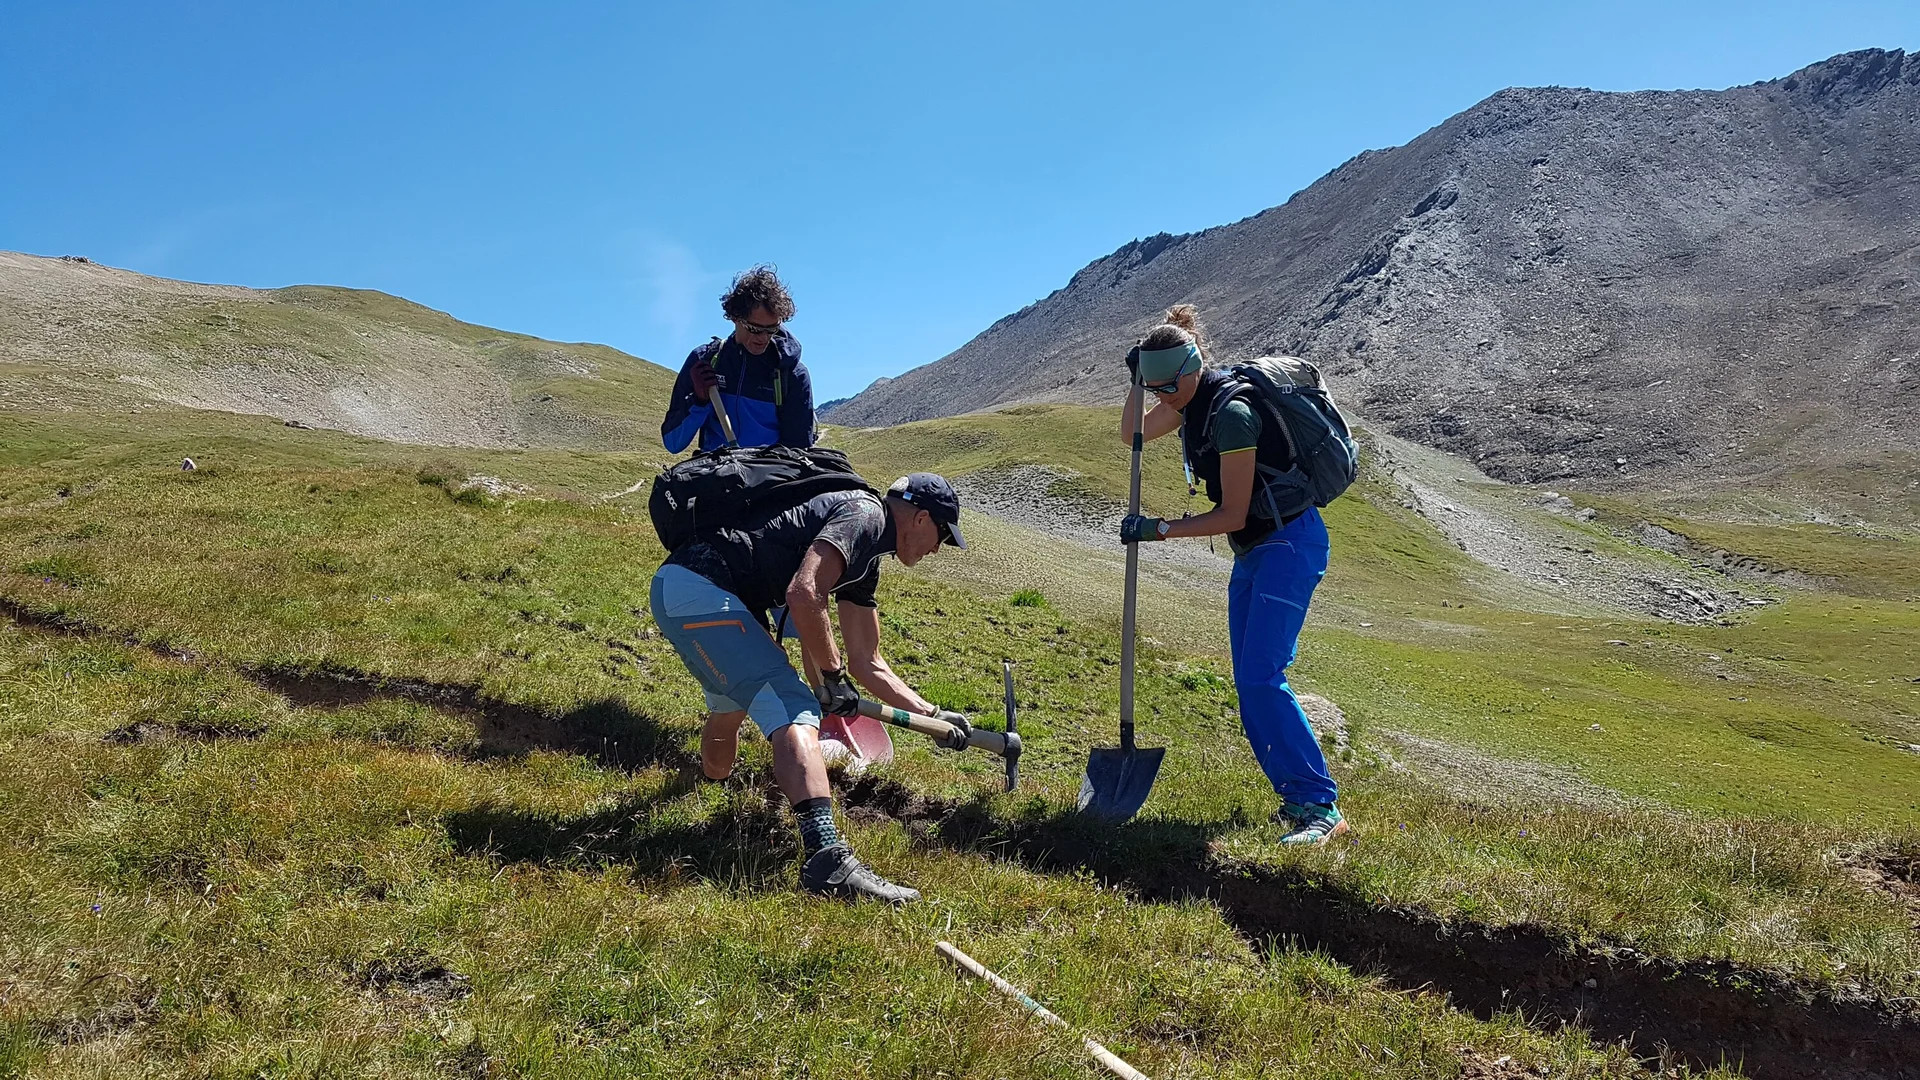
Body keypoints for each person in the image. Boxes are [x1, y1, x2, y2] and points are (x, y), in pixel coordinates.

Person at [649, 473, 971, 902]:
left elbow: (868, 663)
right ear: (921, 518)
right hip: (703, 590)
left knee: (732, 704)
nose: (936, 549)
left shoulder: (866, 561)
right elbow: (803, 594)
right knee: (793, 705)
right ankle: (828, 862)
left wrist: (931, 716)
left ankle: (710, 792)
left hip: (691, 592)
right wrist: (831, 677)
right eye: (941, 537)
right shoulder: (864, 515)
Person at [1116, 305, 1349, 845]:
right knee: (1250, 682)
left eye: (1167, 387)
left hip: (1288, 544)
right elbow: (1132, 435)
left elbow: (1233, 514)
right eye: (1154, 389)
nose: (1162, 399)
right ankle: (1297, 801)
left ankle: (1320, 807)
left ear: (1194, 368)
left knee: (1263, 677)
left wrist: (1159, 530)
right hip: (1253, 553)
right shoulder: (1186, 402)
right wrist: (1135, 381)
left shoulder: (1233, 414)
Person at [661, 266, 817, 453]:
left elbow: (797, 453)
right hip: (717, 476)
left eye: (771, 330)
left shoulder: (792, 373)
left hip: (772, 479)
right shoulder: (704, 361)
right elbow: (673, 443)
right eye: (755, 329)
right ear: (735, 317)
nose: (763, 338)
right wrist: (699, 400)